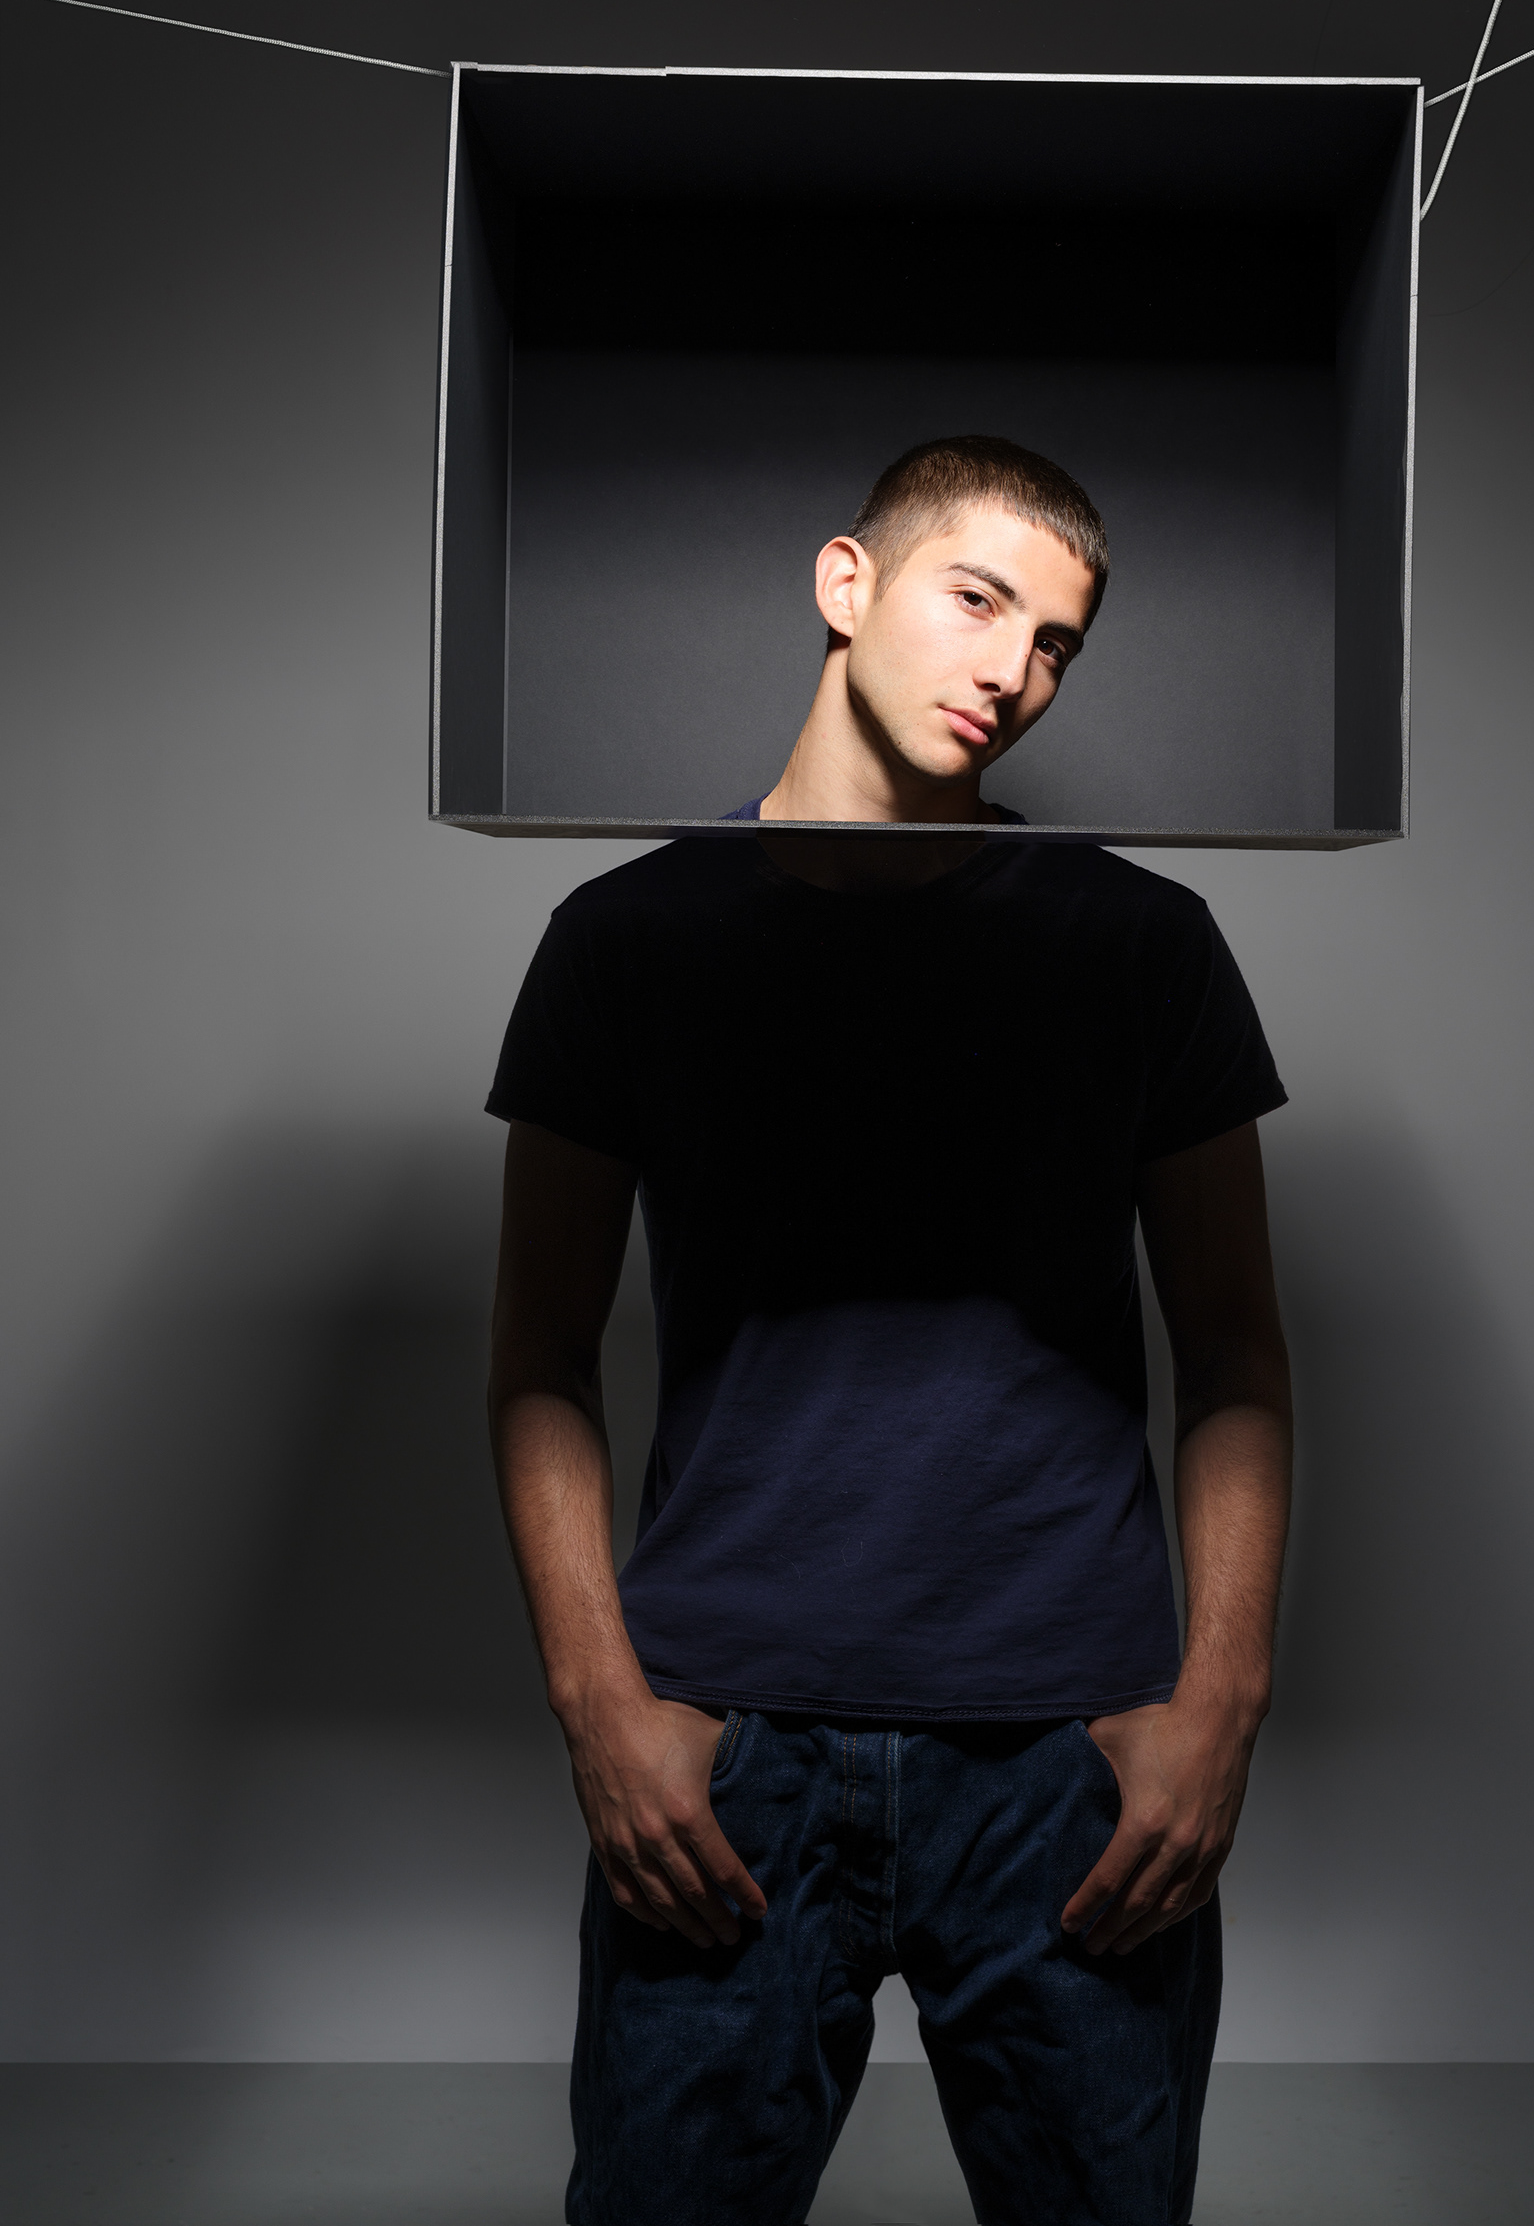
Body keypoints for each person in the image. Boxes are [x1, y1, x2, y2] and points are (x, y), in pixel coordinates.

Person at [486, 436, 1293, 2226]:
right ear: (845, 583)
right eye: (979, 599)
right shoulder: (628, 935)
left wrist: (1219, 1702)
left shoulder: (1142, 941)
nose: (1016, 669)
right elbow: (539, 1354)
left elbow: (1237, 1354)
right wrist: (600, 1703)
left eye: (1058, 641)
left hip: (1070, 1754)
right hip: (730, 1752)